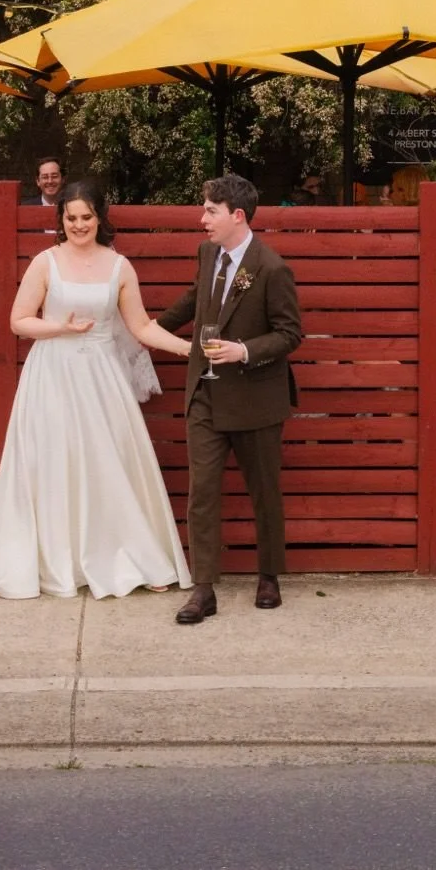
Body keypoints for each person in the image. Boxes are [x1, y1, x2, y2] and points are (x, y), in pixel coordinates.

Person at [0, 181, 193, 599]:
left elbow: (140, 328)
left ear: (99, 218)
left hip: (103, 379)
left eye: (86, 217)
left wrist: (189, 350)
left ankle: (135, 557)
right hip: (52, 374)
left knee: (109, 463)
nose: (79, 225)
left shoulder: (120, 267)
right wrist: (60, 329)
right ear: (60, 220)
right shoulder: (45, 263)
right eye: (71, 218)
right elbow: (18, 320)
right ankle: (32, 562)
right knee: (50, 463)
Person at [148, 174, 303, 625]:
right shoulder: (206, 254)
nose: (202, 219)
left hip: (256, 399)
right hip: (206, 394)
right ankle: (203, 590)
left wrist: (245, 351)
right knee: (202, 494)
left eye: (210, 211)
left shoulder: (272, 268)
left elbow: (291, 333)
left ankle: (269, 576)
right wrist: (148, 330)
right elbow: (197, 300)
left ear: (237, 215)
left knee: (264, 493)